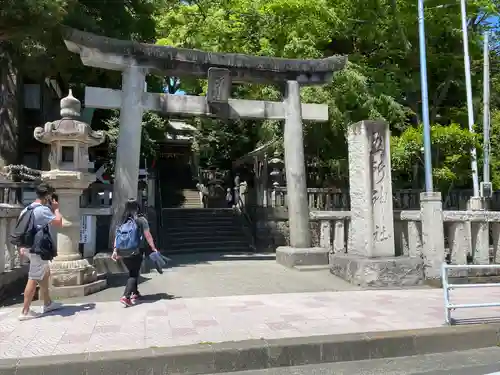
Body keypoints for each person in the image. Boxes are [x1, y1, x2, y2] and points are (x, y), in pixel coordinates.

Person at [18, 184, 63, 321]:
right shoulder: (43, 210)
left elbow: (21, 228)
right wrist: (56, 209)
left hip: (27, 246)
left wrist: (21, 246)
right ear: (47, 196)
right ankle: (25, 311)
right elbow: (59, 222)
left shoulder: (27, 208)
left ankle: (48, 303)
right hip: (37, 249)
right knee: (34, 277)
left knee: (45, 271)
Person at [112, 198, 159, 307]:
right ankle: (126, 296)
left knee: (133, 271)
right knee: (133, 274)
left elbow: (117, 237)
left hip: (122, 251)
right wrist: (153, 247)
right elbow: (148, 235)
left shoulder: (121, 220)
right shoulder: (141, 220)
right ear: (138, 207)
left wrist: (115, 250)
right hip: (136, 250)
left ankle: (135, 292)